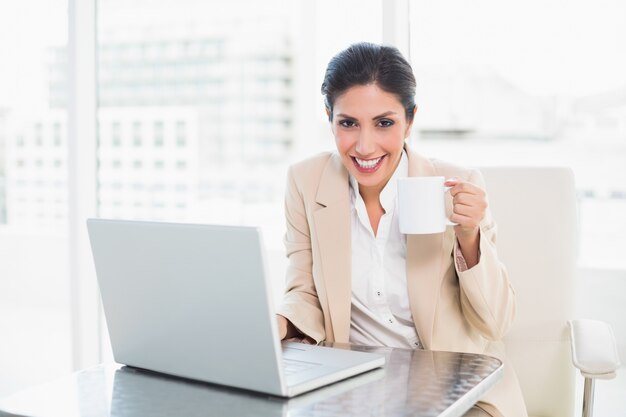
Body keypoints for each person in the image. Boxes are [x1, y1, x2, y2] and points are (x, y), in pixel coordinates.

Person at [275, 42, 527, 417]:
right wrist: (275, 324)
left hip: (455, 389)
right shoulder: (305, 182)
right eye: (348, 123)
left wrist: (469, 237)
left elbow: (495, 322)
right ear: (329, 117)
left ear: (410, 120)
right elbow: (304, 292)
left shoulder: (457, 183)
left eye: (384, 123)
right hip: (352, 387)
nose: (364, 145)